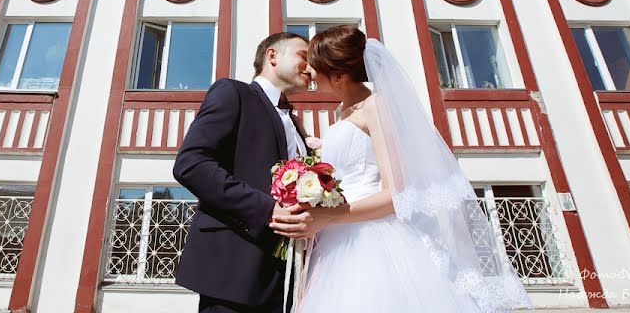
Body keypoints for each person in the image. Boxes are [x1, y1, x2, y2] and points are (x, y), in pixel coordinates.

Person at [270, 25, 533, 313]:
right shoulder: (341, 111)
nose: (309, 72)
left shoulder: (375, 106)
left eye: (315, 67)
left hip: (373, 236)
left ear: (338, 75)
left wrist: (328, 216)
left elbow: (397, 194)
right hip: (337, 234)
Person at [174, 32, 313, 313]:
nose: (311, 68)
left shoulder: (297, 124)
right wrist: (267, 209)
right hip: (234, 267)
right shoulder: (233, 92)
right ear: (272, 56)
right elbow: (191, 164)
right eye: (304, 56)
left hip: (286, 277)